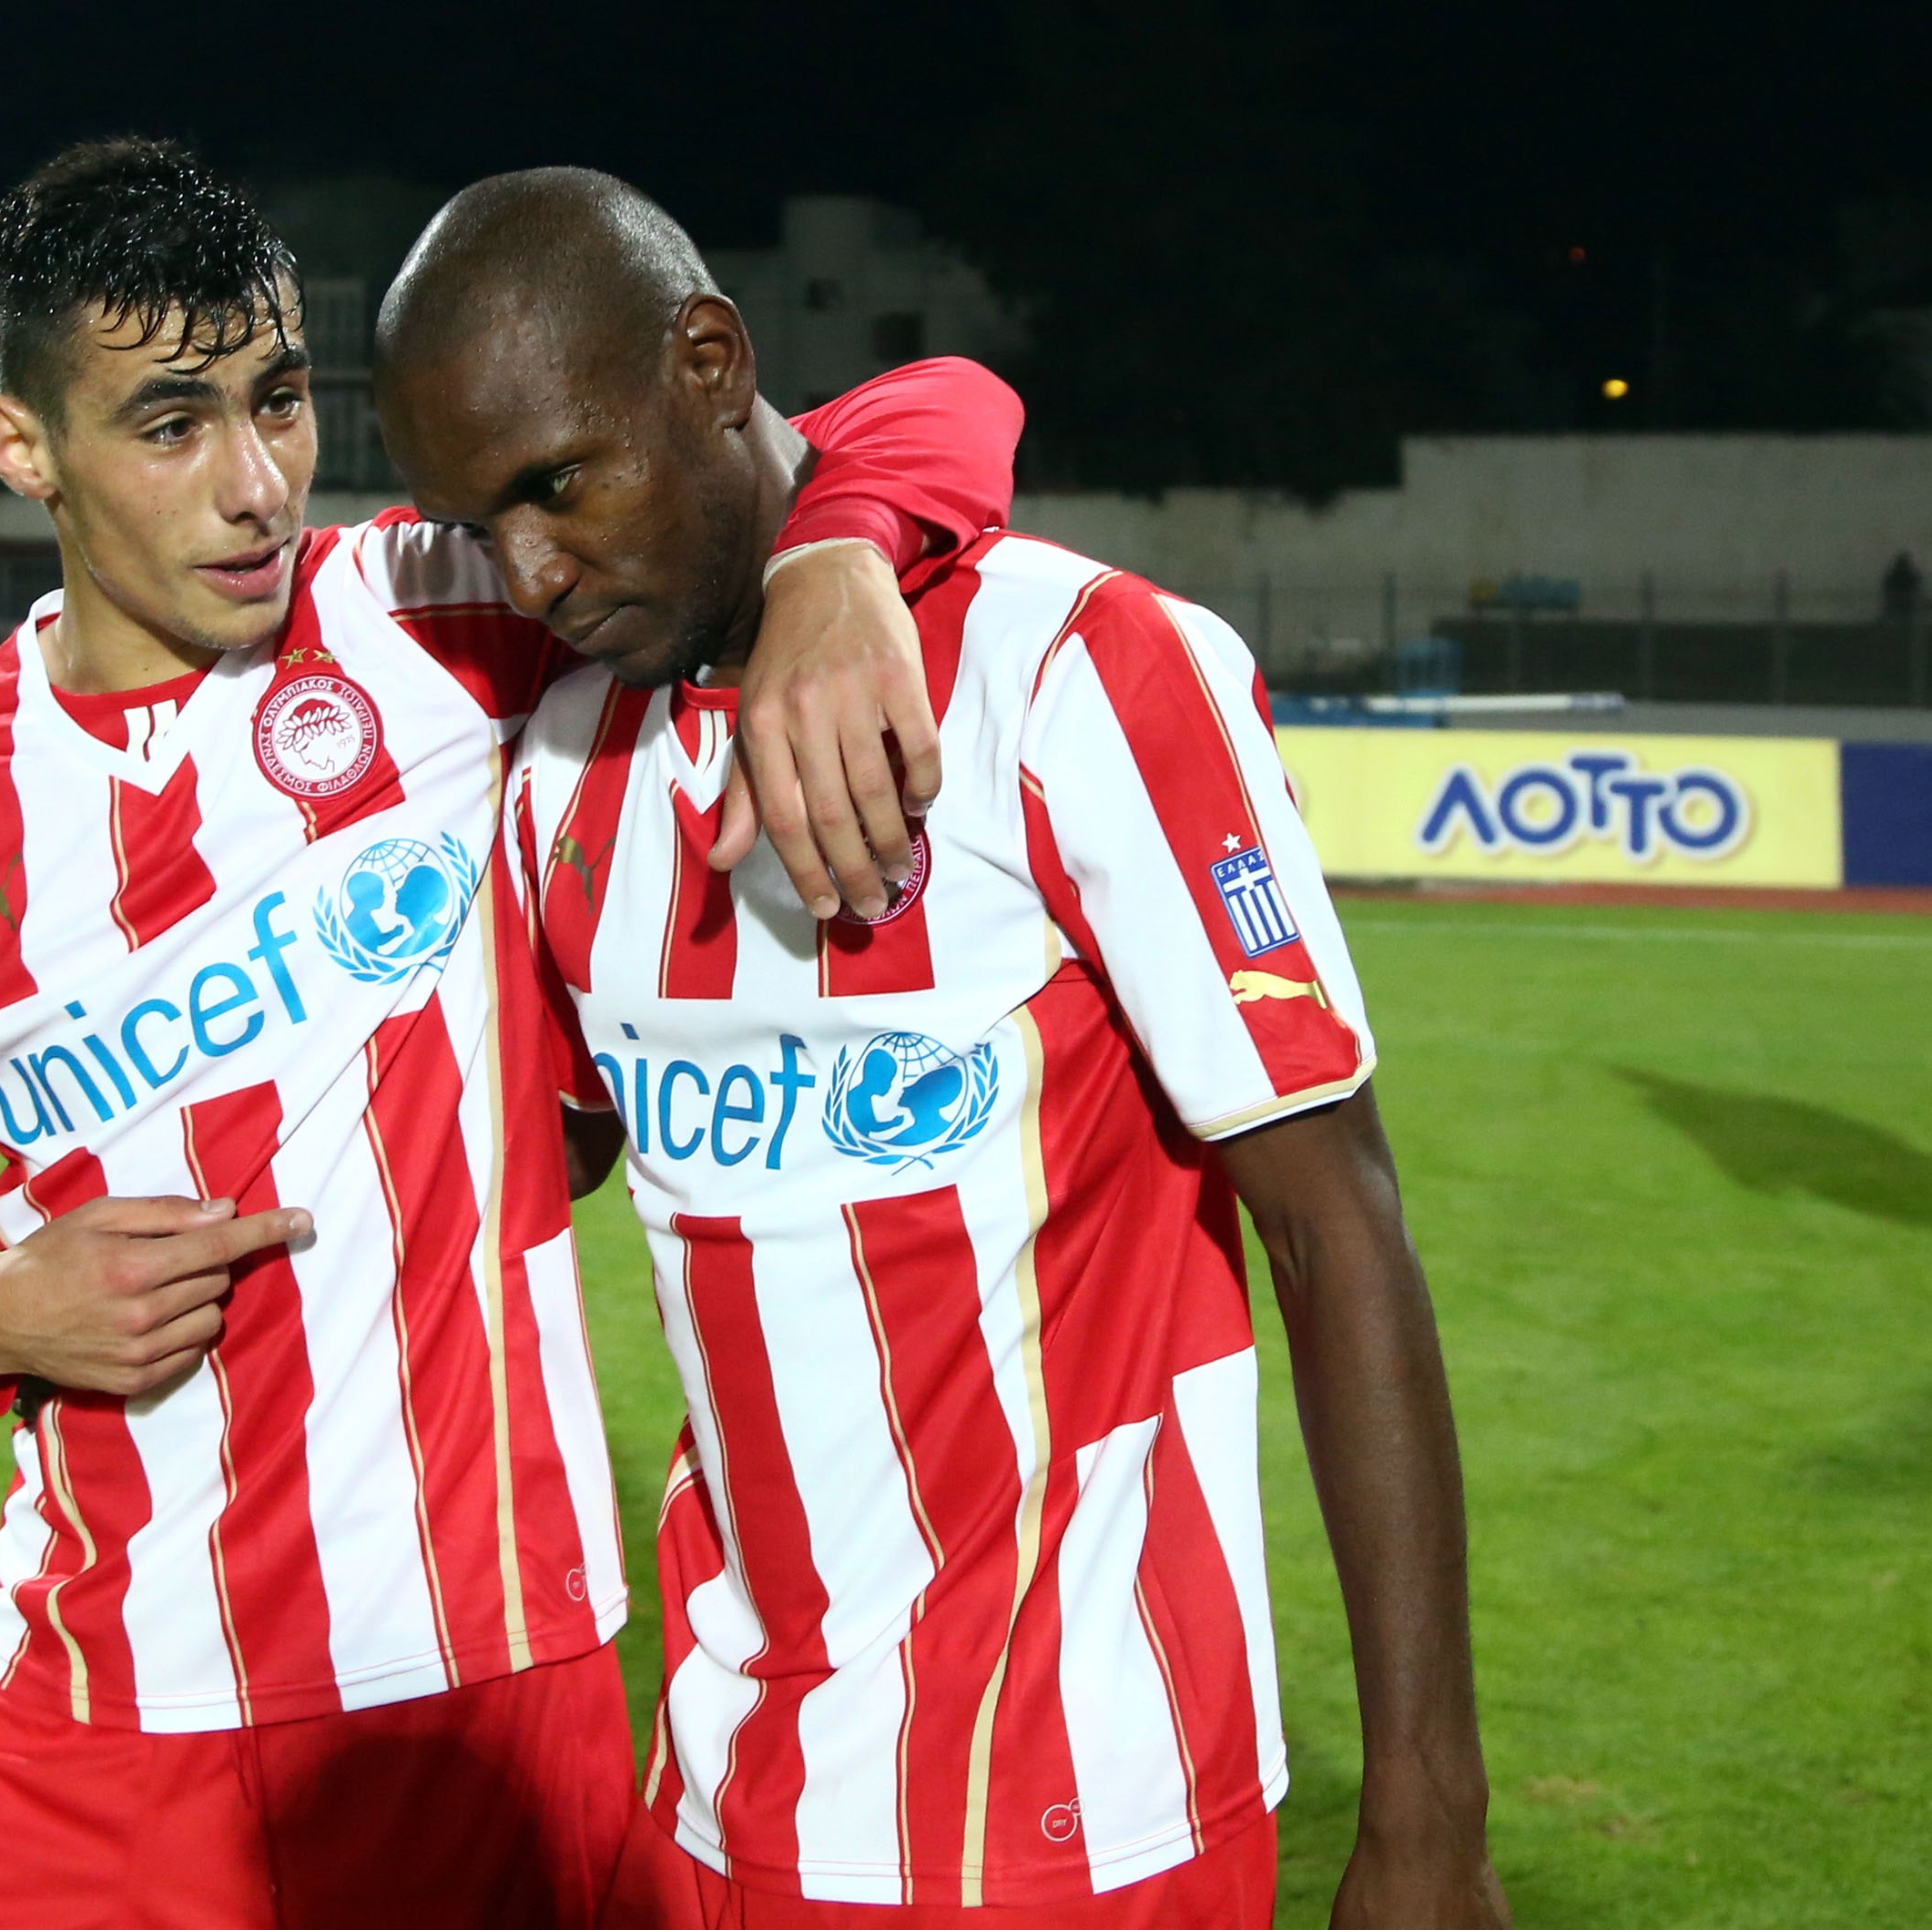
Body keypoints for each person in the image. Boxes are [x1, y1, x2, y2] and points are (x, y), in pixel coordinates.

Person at [0, 137, 1021, 1930]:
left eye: (278, 403)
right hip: (103, 1697)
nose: (254, 486)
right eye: (171, 425)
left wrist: (835, 558)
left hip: (485, 1680)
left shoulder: (428, 616)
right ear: (21, 446)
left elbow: (937, 405)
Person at [376, 168, 1511, 1930]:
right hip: (718, 1798)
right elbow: (539, 1148)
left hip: (1073, 1812)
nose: (529, 571)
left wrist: (1428, 1825)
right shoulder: (561, 765)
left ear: (707, 363)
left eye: (559, 483)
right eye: (479, 522)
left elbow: (1335, 1227)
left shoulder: (1078, 670)